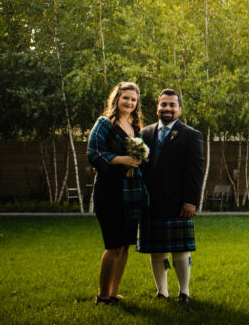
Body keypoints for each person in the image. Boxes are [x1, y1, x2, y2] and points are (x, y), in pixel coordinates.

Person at [136, 89, 205, 303]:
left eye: (172, 105)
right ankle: (161, 291)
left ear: (179, 109)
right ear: (157, 107)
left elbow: (195, 171)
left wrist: (190, 201)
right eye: (163, 104)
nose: (167, 108)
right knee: (156, 251)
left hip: (178, 203)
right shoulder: (144, 133)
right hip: (150, 202)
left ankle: (184, 291)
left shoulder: (191, 135)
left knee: (180, 250)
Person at [87, 81, 149, 305]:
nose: (129, 103)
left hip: (131, 193)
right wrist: (123, 159)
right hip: (109, 191)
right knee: (113, 244)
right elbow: (94, 153)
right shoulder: (104, 123)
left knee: (124, 245)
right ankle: (102, 295)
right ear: (116, 99)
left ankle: (114, 292)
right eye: (125, 98)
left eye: (133, 100)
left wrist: (139, 161)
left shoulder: (136, 128)